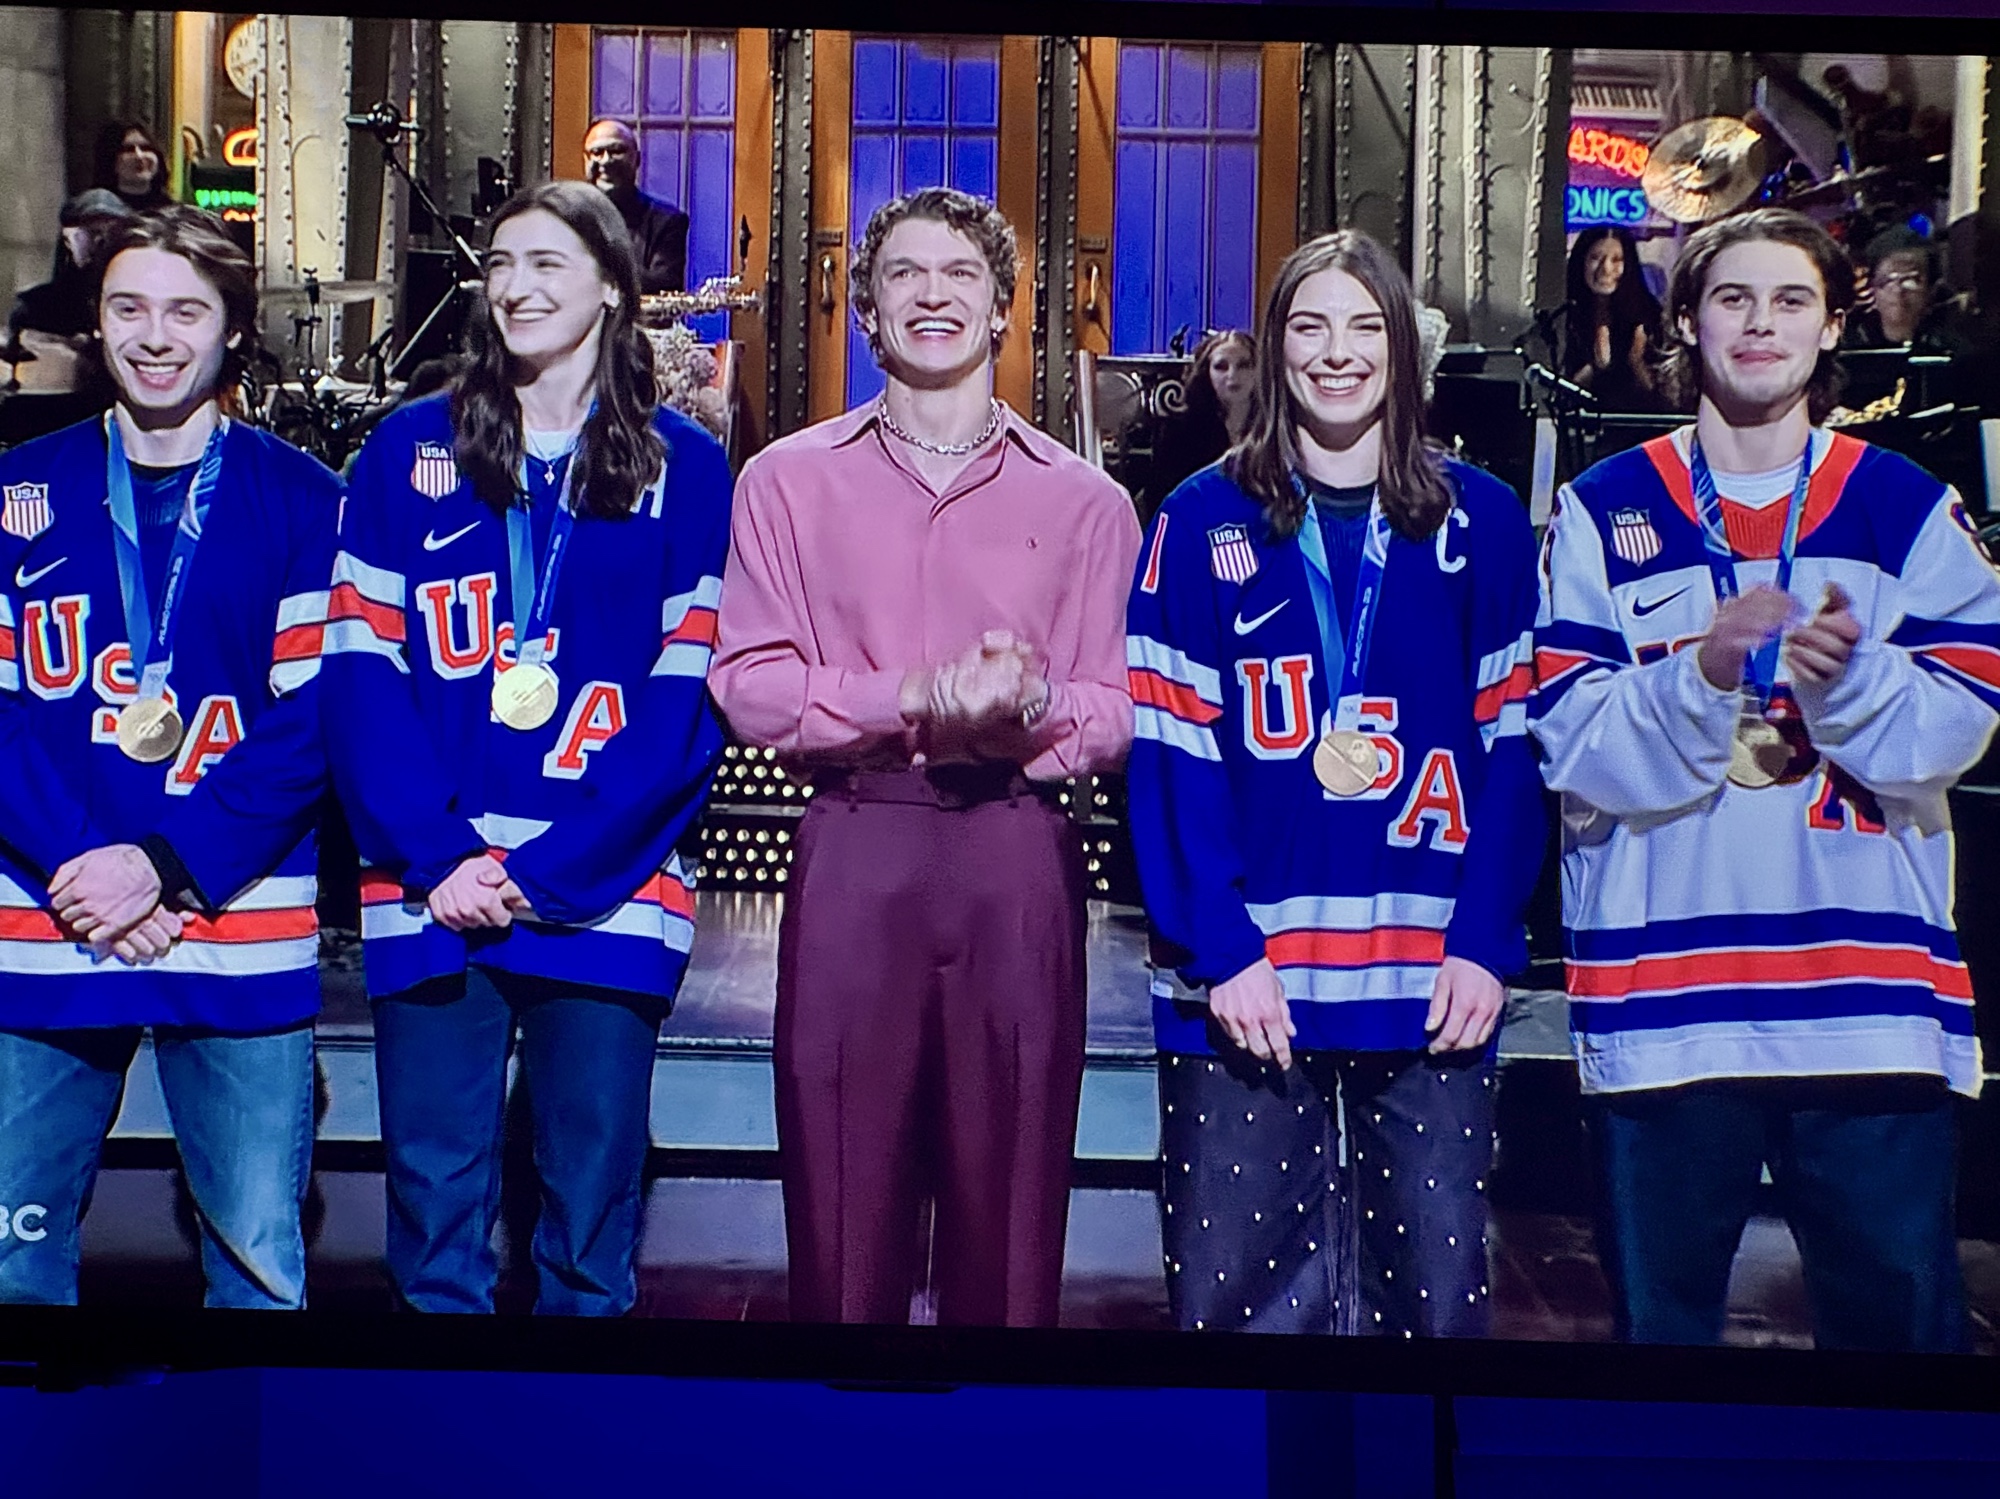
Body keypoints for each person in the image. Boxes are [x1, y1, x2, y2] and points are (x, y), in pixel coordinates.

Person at [1531, 207, 1998, 1352]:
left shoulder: (1904, 507)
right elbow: (1571, 740)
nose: (1759, 323)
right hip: (1664, 1010)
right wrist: (1702, 671)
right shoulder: (1603, 508)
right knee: (1661, 1360)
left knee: (1900, 1366)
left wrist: (1846, 683)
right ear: (1687, 322)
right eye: (1731, 298)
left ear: (1830, 324)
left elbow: (1960, 723)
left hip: (1868, 1007)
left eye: (1789, 300)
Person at [710, 186, 1140, 1327]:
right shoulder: (784, 481)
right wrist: (913, 694)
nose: (932, 295)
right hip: (858, 841)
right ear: (866, 310)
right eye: (903, 273)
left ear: (1002, 308)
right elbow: (749, 685)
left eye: (960, 274)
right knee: (842, 1207)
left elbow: (1118, 712)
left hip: (1016, 848)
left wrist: (1032, 704)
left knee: (1012, 1214)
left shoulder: (1088, 503)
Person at [320, 181, 731, 1315]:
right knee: (433, 1222)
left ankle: (574, 1422)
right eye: (501, 264)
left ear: (612, 288)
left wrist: (547, 871)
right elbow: (360, 677)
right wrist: (441, 856)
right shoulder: (407, 449)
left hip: (607, 894)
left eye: (548, 263)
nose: (517, 286)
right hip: (431, 890)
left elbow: (683, 707)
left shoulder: (688, 468)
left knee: (589, 1231)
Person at [1125, 230, 1544, 1336]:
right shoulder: (1197, 520)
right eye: (1309, 326)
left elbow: (1513, 752)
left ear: (1402, 348)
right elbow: (1171, 752)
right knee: (1232, 1311)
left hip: (1433, 977)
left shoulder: (1485, 522)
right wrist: (1220, 947)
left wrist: (1484, 939)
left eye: (1364, 326)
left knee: (1433, 1315)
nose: (1337, 352)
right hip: (1244, 985)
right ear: (1273, 348)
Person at [0, 206, 340, 1308]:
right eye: (129, 308)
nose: (155, 336)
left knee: (256, 1265)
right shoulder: (14, 489)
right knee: (11, 1256)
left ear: (233, 329)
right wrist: (87, 866)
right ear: (95, 323)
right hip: (49, 914)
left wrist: (162, 863)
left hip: (233, 921)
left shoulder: (304, 498)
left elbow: (312, 721)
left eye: (187, 311)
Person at [1149, 329, 1255, 514]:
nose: (1232, 375)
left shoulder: (1278, 426)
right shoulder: (1179, 431)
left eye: (1244, 365)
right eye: (1221, 366)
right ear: (1206, 372)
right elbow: (1164, 499)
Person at [1561, 225, 1663, 412]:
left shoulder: (1650, 314)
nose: (1606, 269)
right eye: (1595, 258)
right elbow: (1559, 392)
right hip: (1581, 422)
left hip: (1633, 421)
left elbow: (1662, 398)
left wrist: (1636, 363)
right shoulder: (1564, 314)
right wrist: (1595, 367)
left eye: (1616, 260)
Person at [582, 119, 689, 295]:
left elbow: (666, 283)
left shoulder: (667, 220)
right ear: (586, 160)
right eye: (597, 152)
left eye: (616, 151)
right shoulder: (565, 219)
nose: (606, 161)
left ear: (637, 159)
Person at [96, 121, 174, 213]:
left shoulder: (178, 214)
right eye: (129, 150)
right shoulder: (96, 208)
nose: (139, 156)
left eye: (146, 148)